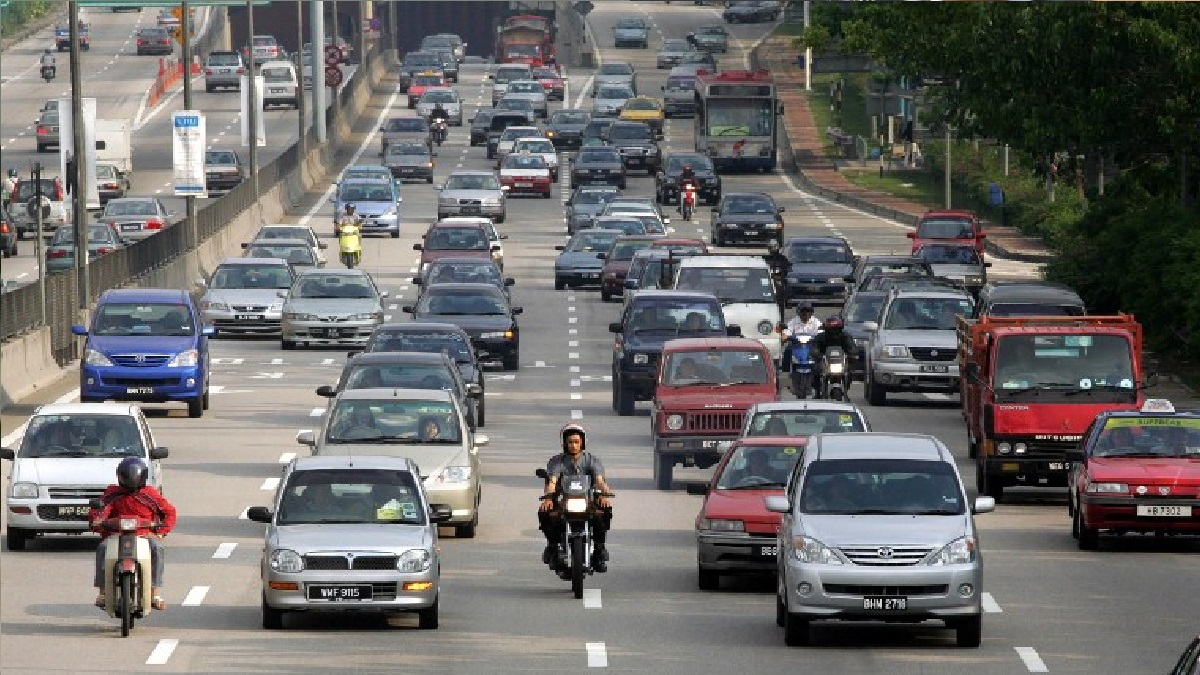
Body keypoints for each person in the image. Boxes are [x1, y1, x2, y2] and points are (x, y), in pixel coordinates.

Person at [89, 457, 176, 611]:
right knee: (102, 548)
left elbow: (169, 512)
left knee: (157, 548)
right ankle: (103, 591)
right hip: (116, 534)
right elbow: (102, 509)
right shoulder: (112, 492)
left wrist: (161, 531)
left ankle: (154, 593)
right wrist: (98, 520)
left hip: (144, 535)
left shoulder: (149, 493)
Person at [539, 423, 615, 573]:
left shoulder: (592, 460)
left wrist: (605, 494)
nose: (573, 445)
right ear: (564, 444)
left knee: (604, 512)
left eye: (576, 442)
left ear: (582, 443)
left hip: (588, 501)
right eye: (570, 442)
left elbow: (599, 480)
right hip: (563, 501)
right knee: (544, 513)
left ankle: (600, 549)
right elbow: (552, 481)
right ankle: (552, 547)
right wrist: (548, 497)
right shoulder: (557, 461)